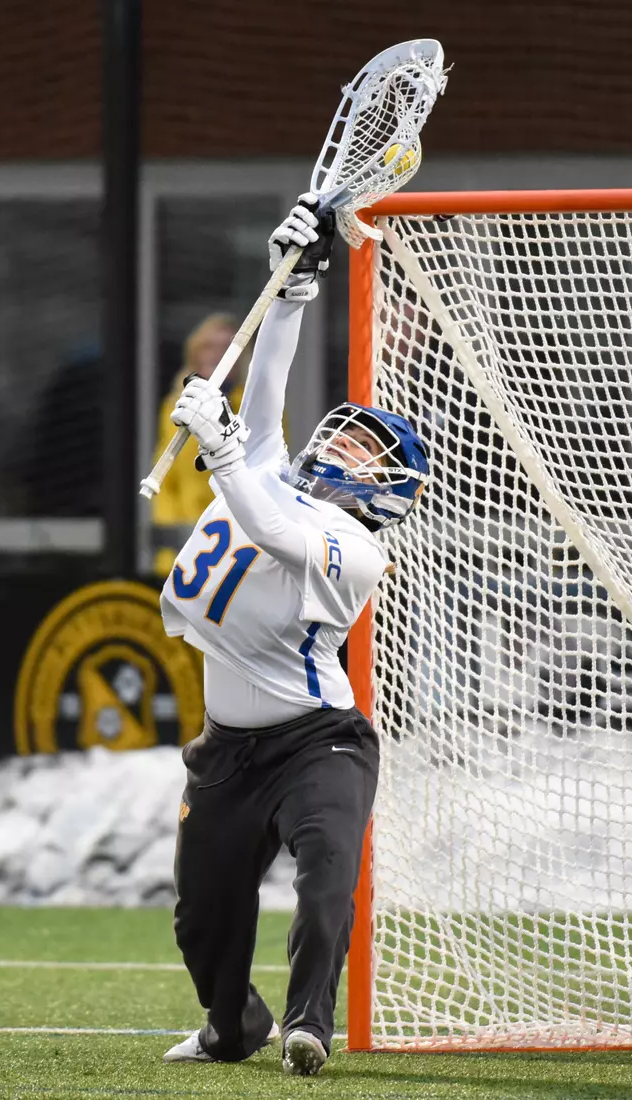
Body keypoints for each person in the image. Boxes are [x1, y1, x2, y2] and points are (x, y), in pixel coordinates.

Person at [159, 195, 430, 1076]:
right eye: (345, 438)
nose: (341, 451)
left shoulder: (355, 549)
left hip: (319, 743)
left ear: (384, 495)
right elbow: (267, 390)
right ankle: (232, 1028)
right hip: (229, 747)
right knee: (202, 918)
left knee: (324, 887)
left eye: (364, 458)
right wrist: (293, 288)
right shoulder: (275, 470)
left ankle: (309, 1026)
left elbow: (272, 530)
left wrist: (222, 449)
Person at [149, 314, 238, 575]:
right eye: (210, 346)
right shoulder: (176, 405)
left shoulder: (253, 403)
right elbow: (165, 477)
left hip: (237, 535)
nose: (217, 355)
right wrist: (173, 532)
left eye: (227, 348)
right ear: (195, 353)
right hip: (186, 537)